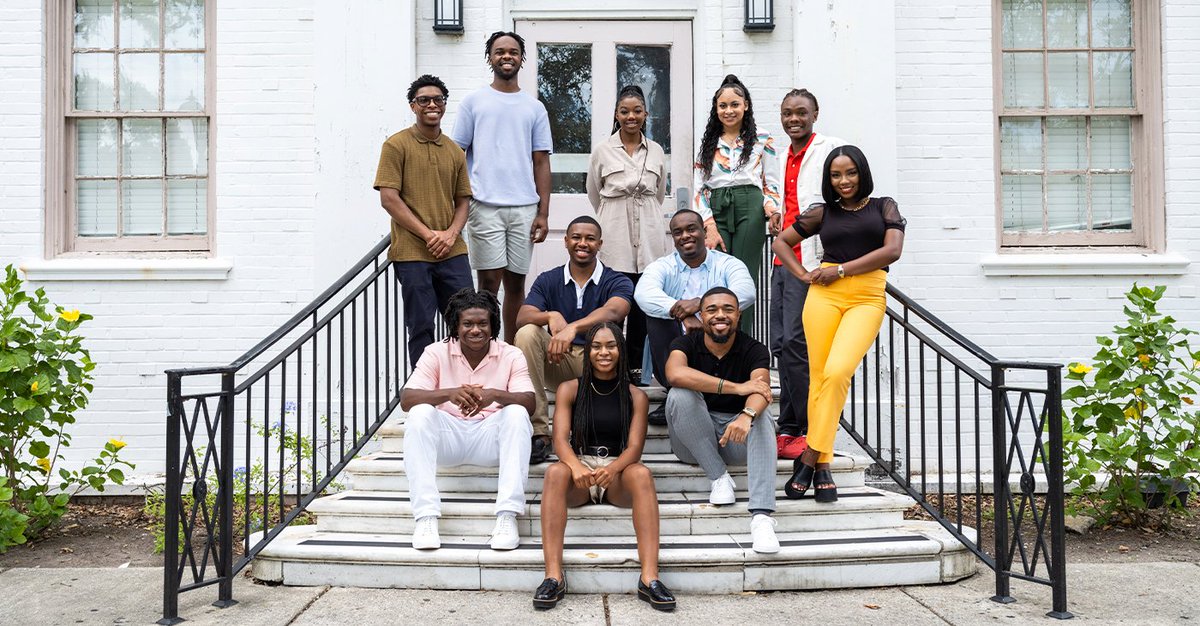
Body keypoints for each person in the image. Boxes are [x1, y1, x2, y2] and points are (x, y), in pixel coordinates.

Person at [771, 146, 905, 503]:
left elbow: (892, 251)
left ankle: (810, 455)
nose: (844, 181)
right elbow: (781, 242)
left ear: (862, 172)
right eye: (836, 175)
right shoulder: (822, 213)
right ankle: (824, 466)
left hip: (866, 296)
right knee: (819, 378)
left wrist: (842, 270)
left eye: (850, 173)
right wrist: (801, 274)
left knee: (837, 371)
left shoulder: (883, 206)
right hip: (824, 297)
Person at [533, 322, 675, 612]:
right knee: (555, 472)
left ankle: (649, 578)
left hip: (617, 470)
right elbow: (560, 440)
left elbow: (635, 448)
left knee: (642, 473)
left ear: (621, 350)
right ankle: (553, 576)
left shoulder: (636, 395)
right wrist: (575, 466)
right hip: (580, 467)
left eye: (611, 346)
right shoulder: (569, 389)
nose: (604, 352)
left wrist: (613, 469)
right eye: (596, 346)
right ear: (588, 352)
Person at [400, 288, 537, 551]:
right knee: (420, 412)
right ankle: (426, 517)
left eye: (483, 323)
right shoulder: (435, 352)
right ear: (456, 325)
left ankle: (507, 516)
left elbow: (530, 403)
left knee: (517, 412)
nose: (476, 330)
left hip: (490, 439)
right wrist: (449, 394)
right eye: (468, 324)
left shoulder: (511, 354)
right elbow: (407, 399)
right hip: (449, 440)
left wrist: (494, 395)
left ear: (493, 324)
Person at [451, 30, 553, 345]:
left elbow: (541, 162)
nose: (506, 56)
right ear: (490, 58)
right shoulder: (473, 102)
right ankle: (485, 348)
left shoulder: (534, 107)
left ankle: (509, 351)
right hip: (484, 205)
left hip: (524, 207)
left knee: (516, 284)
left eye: (512, 51)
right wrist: (458, 207)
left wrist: (543, 213)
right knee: (488, 284)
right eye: (499, 51)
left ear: (522, 58)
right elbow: (457, 155)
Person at [663, 287, 779, 554]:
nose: (720, 315)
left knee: (760, 417)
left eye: (728, 309)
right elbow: (675, 374)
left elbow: (761, 391)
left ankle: (761, 517)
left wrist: (746, 415)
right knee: (680, 394)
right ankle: (719, 477)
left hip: (734, 439)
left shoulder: (754, 349)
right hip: (692, 442)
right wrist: (737, 388)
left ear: (738, 314)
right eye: (712, 309)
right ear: (701, 315)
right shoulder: (685, 344)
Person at [514, 216, 634, 463]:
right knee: (527, 332)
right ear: (566, 242)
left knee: (605, 344)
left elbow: (615, 311)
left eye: (590, 238)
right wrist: (550, 315)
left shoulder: (616, 280)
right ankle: (539, 432)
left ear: (600, 244)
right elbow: (522, 316)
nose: (583, 243)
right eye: (577, 237)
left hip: (599, 363)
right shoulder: (549, 279)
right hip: (560, 359)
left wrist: (572, 328)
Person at [374, 74, 474, 365]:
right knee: (421, 325)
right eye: (424, 100)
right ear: (413, 106)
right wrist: (429, 235)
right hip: (412, 252)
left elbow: (463, 200)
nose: (432, 104)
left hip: (452, 251)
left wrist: (451, 234)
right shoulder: (396, 145)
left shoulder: (455, 151)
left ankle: (467, 382)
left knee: (468, 321)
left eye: (438, 100)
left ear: (444, 106)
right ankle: (425, 393)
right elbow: (389, 198)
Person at [770, 88, 846, 460]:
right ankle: (788, 423)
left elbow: (849, 191)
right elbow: (775, 195)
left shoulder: (830, 149)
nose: (793, 119)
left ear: (815, 113)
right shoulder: (780, 155)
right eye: (787, 113)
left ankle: (804, 427)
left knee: (799, 346)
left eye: (801, 112)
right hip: (783, 261)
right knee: (782, 344)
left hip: (811, 263)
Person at [634, 209, 755, 423]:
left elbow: (746, 292)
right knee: (656, 317)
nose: (685, 236)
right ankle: (674, 392)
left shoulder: (728, 264)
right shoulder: (663, 266)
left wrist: (701, 304)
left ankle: (719, 395)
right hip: (678, 343)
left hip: (717, 340)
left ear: (704, 231)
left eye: (691, 229)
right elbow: (643, 294)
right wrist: (681, 314)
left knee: (729, 313)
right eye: (678, 232)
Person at [586, 84, 668, 383]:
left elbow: (658, 194)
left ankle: (635, 367)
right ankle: (609, 364)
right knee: (615, 301)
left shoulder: (657, 150)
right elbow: (595, 193)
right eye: (624, 111)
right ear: (616, 115)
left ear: (645, 114)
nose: (630, 116)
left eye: (637, 111)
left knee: (643, 305)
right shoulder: (603, 151)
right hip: (615, 232)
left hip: (648, 233)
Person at [692, 74, 781, 335]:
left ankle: (743, 340)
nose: (728, 110)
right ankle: (715, 340)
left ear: (746, 106)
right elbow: (699, 188)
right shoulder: (709, 141)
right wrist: (708, 224)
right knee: (716, 275)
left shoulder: (762, 139)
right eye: (723, 106)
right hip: (716, 206)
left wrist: (771, 209)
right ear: (716, 109)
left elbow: (772, 183)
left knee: (744, 277)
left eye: (734, 105)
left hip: (749, 206)